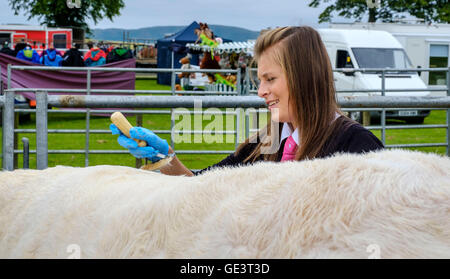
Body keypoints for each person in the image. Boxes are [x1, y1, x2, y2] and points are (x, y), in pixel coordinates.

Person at [110, 26, 384, 176]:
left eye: (270, 79)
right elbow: (203, 185)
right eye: (260, 81)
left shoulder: (360, 148)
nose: (260, 92)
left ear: (304, 77)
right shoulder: (265, 142)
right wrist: (165, 158)